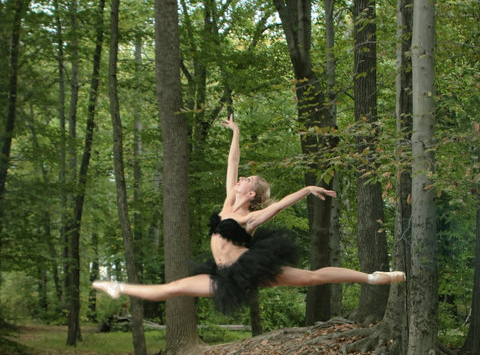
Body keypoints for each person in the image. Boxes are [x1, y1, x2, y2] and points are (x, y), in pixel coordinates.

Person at [93, 116, 405, 312]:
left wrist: (308, 189)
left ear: (252, 194)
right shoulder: (228, 202)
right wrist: (236, 131)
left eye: (247, 180)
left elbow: (280, 205)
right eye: (243, 178)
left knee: (311, 277)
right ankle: (118, 288)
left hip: (249, 270)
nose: (241, 179)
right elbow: (233, 163)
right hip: (225, 277)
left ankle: (373, 277)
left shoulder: (248, 219)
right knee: (173, 288)